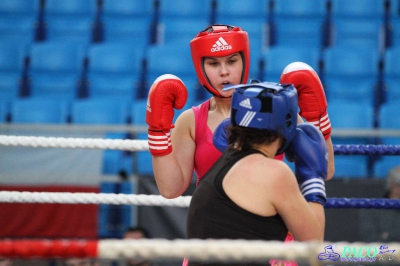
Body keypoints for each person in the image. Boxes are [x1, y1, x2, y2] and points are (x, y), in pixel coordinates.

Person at [145, 24, 334, 265]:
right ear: (201, 67)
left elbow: (324, 170)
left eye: (231, 61)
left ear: (244, 60)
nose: (224, 72)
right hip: (213, 242)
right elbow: (170, 189)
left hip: (271, 240)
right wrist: (158, 132)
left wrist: (320, 122)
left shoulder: (273, 108)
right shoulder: (192, 120)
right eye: (214, 64)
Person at [186, 81, 327, 265]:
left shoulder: (225, 160)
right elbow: (314, 245)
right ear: (287, 122)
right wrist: (313, 178)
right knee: (368, 255)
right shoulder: (274, 173)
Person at [358, 165, 400, 242]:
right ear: (392, 185)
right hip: (383, 253)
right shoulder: (372, 208)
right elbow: (370, 238)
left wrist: (388, 235)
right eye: (398, 185)